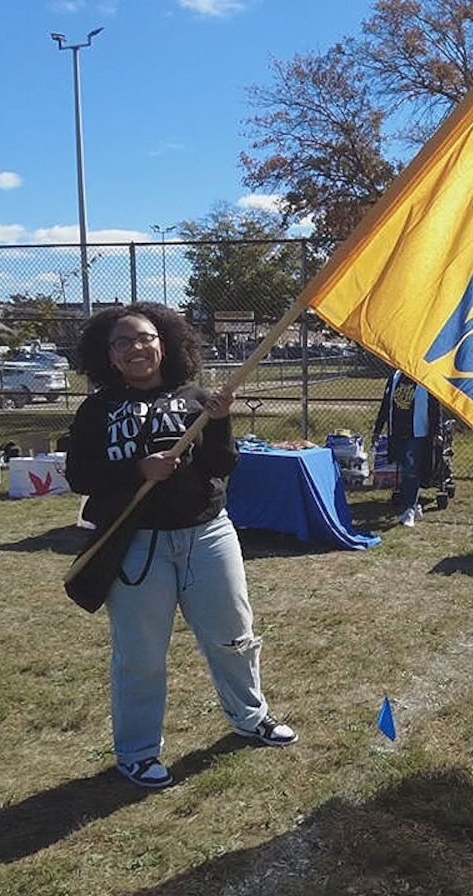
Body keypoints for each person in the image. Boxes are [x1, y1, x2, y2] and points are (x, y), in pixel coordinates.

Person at [66, 302, 297, 790]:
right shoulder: (96, 410)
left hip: (207, 535)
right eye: (123, 342)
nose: (135, 348)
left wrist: (220, 420)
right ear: (108, 355)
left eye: (144, 338)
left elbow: (221, 465)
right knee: (140, 655)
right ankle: (138, 752)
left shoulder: (195, 397)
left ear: (163, 343)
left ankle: (250, 717)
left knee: (234, 636)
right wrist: (137, 470)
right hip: (136, 545)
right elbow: (79, 475)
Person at [373, 369, 442, 527]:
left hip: (417, 433)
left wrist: (437, 432)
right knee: (405, 469)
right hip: (397, 432)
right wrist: (378, 429)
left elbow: (434, 407)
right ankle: (414, 503)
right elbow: (386, 405)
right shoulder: (395, 377)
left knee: (411, 470)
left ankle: (409, 509)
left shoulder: (425, 377)